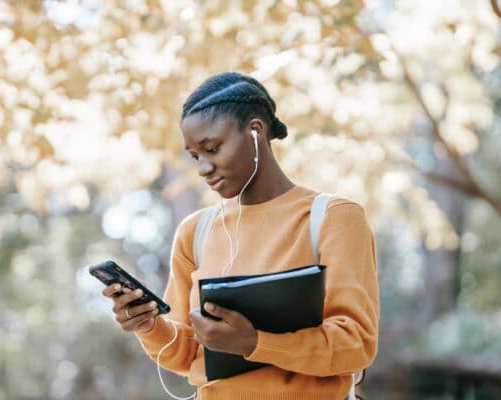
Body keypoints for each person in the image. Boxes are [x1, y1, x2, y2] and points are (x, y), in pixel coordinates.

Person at [101, 72, 379, 399]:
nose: (203, 167)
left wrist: (254, 343)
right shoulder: (196, 232)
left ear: (255, 131)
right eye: (195, 156)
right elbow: (185, 354)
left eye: (212, 148)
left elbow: (356, 344)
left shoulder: (333, 217)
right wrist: (147, 324)